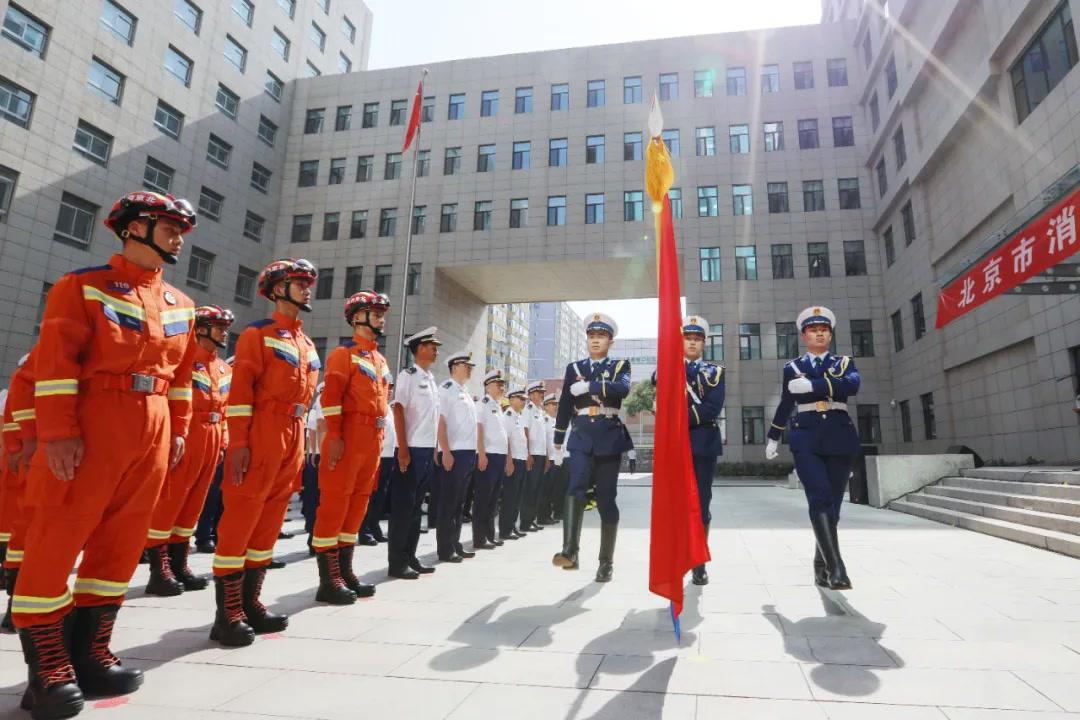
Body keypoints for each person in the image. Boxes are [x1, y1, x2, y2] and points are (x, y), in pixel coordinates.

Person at [13, 191, 198, 716]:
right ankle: (47, 668)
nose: (178, 236)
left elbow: (182, 379)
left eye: (180, 228)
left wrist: (178, 429)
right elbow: (55, 367)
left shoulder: (181, 304)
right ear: (133, 228)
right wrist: (57, 433)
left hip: (154, 425)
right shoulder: (83, 287)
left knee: (121, 542)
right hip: (95, 421)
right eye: (167, 225)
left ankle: (90, 652)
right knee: (57, 537)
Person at [213, 258, 320, 646]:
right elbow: (240, 394)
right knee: (241, 520)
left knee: (269, 523)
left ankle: (250, 603)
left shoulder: (306, 343)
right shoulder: (257, 334)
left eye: (309, 283)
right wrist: (239, 442)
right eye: (298, 283)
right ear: (277, 288)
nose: (307, 289)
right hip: (261, 430)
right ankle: (227, 614)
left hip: (291, 434)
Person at [765, 306, 860, 591]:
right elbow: (785, 402)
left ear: (830, 335)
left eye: (824, 330)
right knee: (819, 498)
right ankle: (837, 568)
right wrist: (773, 436)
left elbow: (852, 386)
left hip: (840, 436)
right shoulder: (792, 367)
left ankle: (820, 564)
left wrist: (813, 385)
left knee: (834, 505)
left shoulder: (844, 362)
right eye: (813, 331)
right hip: (805, 438)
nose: (819, 334)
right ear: (804, 336)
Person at [145, 306, 234, 597]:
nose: (224, 331)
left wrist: (222, 443)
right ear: (201, 329)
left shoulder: (224, 368)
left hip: (212, 437)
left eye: (225, 326)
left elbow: (226, 410)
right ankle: (159, 570)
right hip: (186, 434)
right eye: (218, 326)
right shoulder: (182, 361)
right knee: (170, 502)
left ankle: (180, 564)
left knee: (194, 503)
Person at [311, 291, 390, 604]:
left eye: (382, 313)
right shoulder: (343, 354)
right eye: (375, 313)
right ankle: (328, 580)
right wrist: (336, 436)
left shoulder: (379, 358)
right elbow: (330, 399)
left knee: (357, 506)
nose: (381, 318)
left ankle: (345, 571)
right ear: (357, 316)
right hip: (348, 437)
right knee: (334, 507)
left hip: (372, 440)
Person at [552, 313, 632, 583]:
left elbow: (622, 389)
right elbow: (564, 403)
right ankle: (570, 551)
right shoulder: (573, 367)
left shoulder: (621, 365)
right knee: (574, 488)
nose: (595, 340)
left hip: (609, 435)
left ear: (610, 340)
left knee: (607, 499)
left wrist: (591, 385)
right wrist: (557, 439)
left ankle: (605, 562)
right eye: (592, 336)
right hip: (582, 434)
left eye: (601, 336)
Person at [388, 327, 441, 579]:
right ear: (419, 348)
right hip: (410, 450)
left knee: (416, 508)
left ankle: (410, 556)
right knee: (403, 509)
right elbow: (398, 411)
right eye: (432, 346)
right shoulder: (407, 376)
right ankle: (397, 563)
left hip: (426, 451)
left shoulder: (430, 379)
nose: (436, 350)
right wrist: (403, 449)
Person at [681, 315, 725, 586]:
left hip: (703, 441)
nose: (693, 343)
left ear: (704, 344)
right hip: (676, 444)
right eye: (688, 338)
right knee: (677, 504)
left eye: (697, 339)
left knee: (702, 503)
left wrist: (677, 418)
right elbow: (655, 382)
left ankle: (698, 562)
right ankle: (680, 555)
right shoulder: (671, 368)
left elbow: (712, 408)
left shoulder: (715, 372)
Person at [2, 350, 36, 632]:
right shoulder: (32, 363)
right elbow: (14, 409)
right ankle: (16, 605)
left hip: (59, 453)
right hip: (36, 453)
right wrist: (15, 446)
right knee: (26, 527)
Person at [435, 351, 479, 563]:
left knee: (460, 503)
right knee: (449, 502)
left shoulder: (465, 392)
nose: (470, 368)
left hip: (468, 452)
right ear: (454, 367)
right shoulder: (446, 390)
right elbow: (440, 422)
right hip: (454, 452)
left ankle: (455, 543)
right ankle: (445, 549)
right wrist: (445, 451)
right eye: (466, 365)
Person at [473, 370, 510, 550]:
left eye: (502, 384)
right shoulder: (484, 403)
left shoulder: (497, 405)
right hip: (488, 456)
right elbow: (479, 428)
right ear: (488, 386)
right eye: (498, 384)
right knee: (483, 499)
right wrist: (481, 453)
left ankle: (488, 534)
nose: (501, 387)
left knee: (493, 499)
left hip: (499, 457)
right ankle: (479, 538)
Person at [361, 377, 396, 545]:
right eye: (387, 387)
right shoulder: (375, 406)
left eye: (391, 388)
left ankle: (374, 527)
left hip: (389, 456)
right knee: (371, 495)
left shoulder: (389, 409)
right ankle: (364, 530)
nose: (389, 390)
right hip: (377, 456)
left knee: (380, 496)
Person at [500, 387, 529, 541]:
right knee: (510, 497)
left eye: (525, 399)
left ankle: (513, 526)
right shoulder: (508, 416)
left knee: (517, 496)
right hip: (513, 461)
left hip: (521, 459)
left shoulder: (519, 416)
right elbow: (507, 441)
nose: (523, 401)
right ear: (511, 399)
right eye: (520, 398)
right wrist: (509, 461)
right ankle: (505, 529)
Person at [519, 381, 548, 532]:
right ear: (531, 395)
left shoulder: (540, 411)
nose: (542, 394)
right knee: (530, 489)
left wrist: (546, 458)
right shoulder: (528, 409)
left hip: (541, 455)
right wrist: (528, 453)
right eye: (538, 392)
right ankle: (525, 522)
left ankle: (532, 519)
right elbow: (525, 431)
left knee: (537, 489)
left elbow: (543, 437)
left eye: (542, 392)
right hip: (533, 455)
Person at [301, 383, 325, 554]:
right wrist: (313, 454)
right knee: (314, 499)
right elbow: (314, 433)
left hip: (325, 456)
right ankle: (312, 536)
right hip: (317, 458)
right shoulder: (318, 407)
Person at [541, 393, 567, 522]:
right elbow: (543, 441)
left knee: (558, 489)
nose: (555, 406)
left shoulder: (556, 421)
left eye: (556, 404)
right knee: (547, 490)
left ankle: (557, 513)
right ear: (545, 406)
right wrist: (546, 459)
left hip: (558, 460)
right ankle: (544, 515)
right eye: (553, 404)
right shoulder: (544, 421)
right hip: (549, 460)